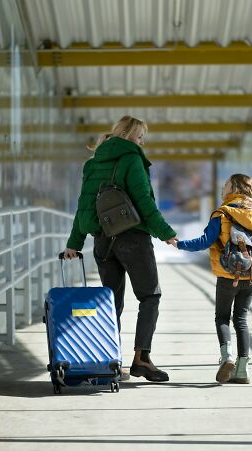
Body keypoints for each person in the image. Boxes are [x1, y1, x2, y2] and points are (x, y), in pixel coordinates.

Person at [63, 115, 178, 382]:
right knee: (150, 296)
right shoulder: (132, 159)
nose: (142, 142)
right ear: (128, 135)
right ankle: (142, 360)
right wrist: (166, 233)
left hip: (103, 242)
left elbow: (85, 206)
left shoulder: (92, 164)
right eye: (140, 137)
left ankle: (110, 360)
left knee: (110, 302)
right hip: (132, 239)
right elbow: (144, 202)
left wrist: (74, 243)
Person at [175, 174, 252, 384]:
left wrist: (179, 244)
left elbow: (204, 241)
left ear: (234, 188)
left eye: (226, 185)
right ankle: (242, 370)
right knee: (242, 320)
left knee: (222, 318)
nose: (222, 188)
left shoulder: (223, 213)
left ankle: (227, 357)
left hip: (228, 275)